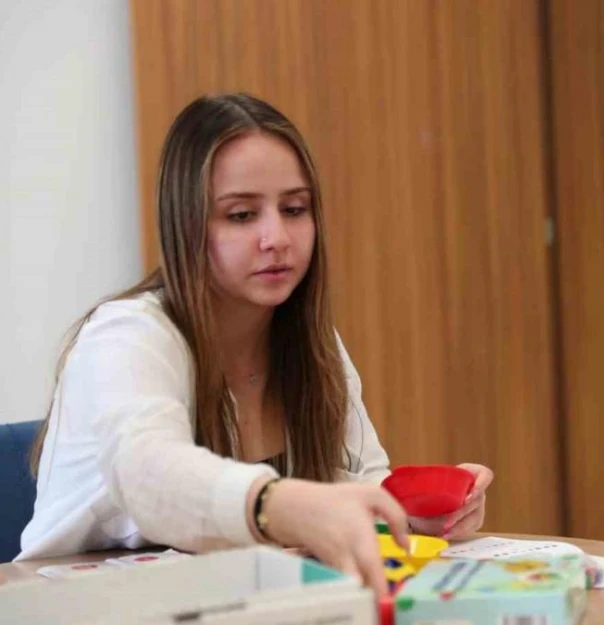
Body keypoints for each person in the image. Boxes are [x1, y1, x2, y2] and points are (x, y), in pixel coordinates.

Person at [19, 93, 493, 596]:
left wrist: (414, 513)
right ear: (187, 224)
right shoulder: (126, 335)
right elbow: (150, 478)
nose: (277, 237)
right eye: (242, 215)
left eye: (294, 209)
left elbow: (362, 485)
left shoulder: (310, 340)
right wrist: (282, 505)